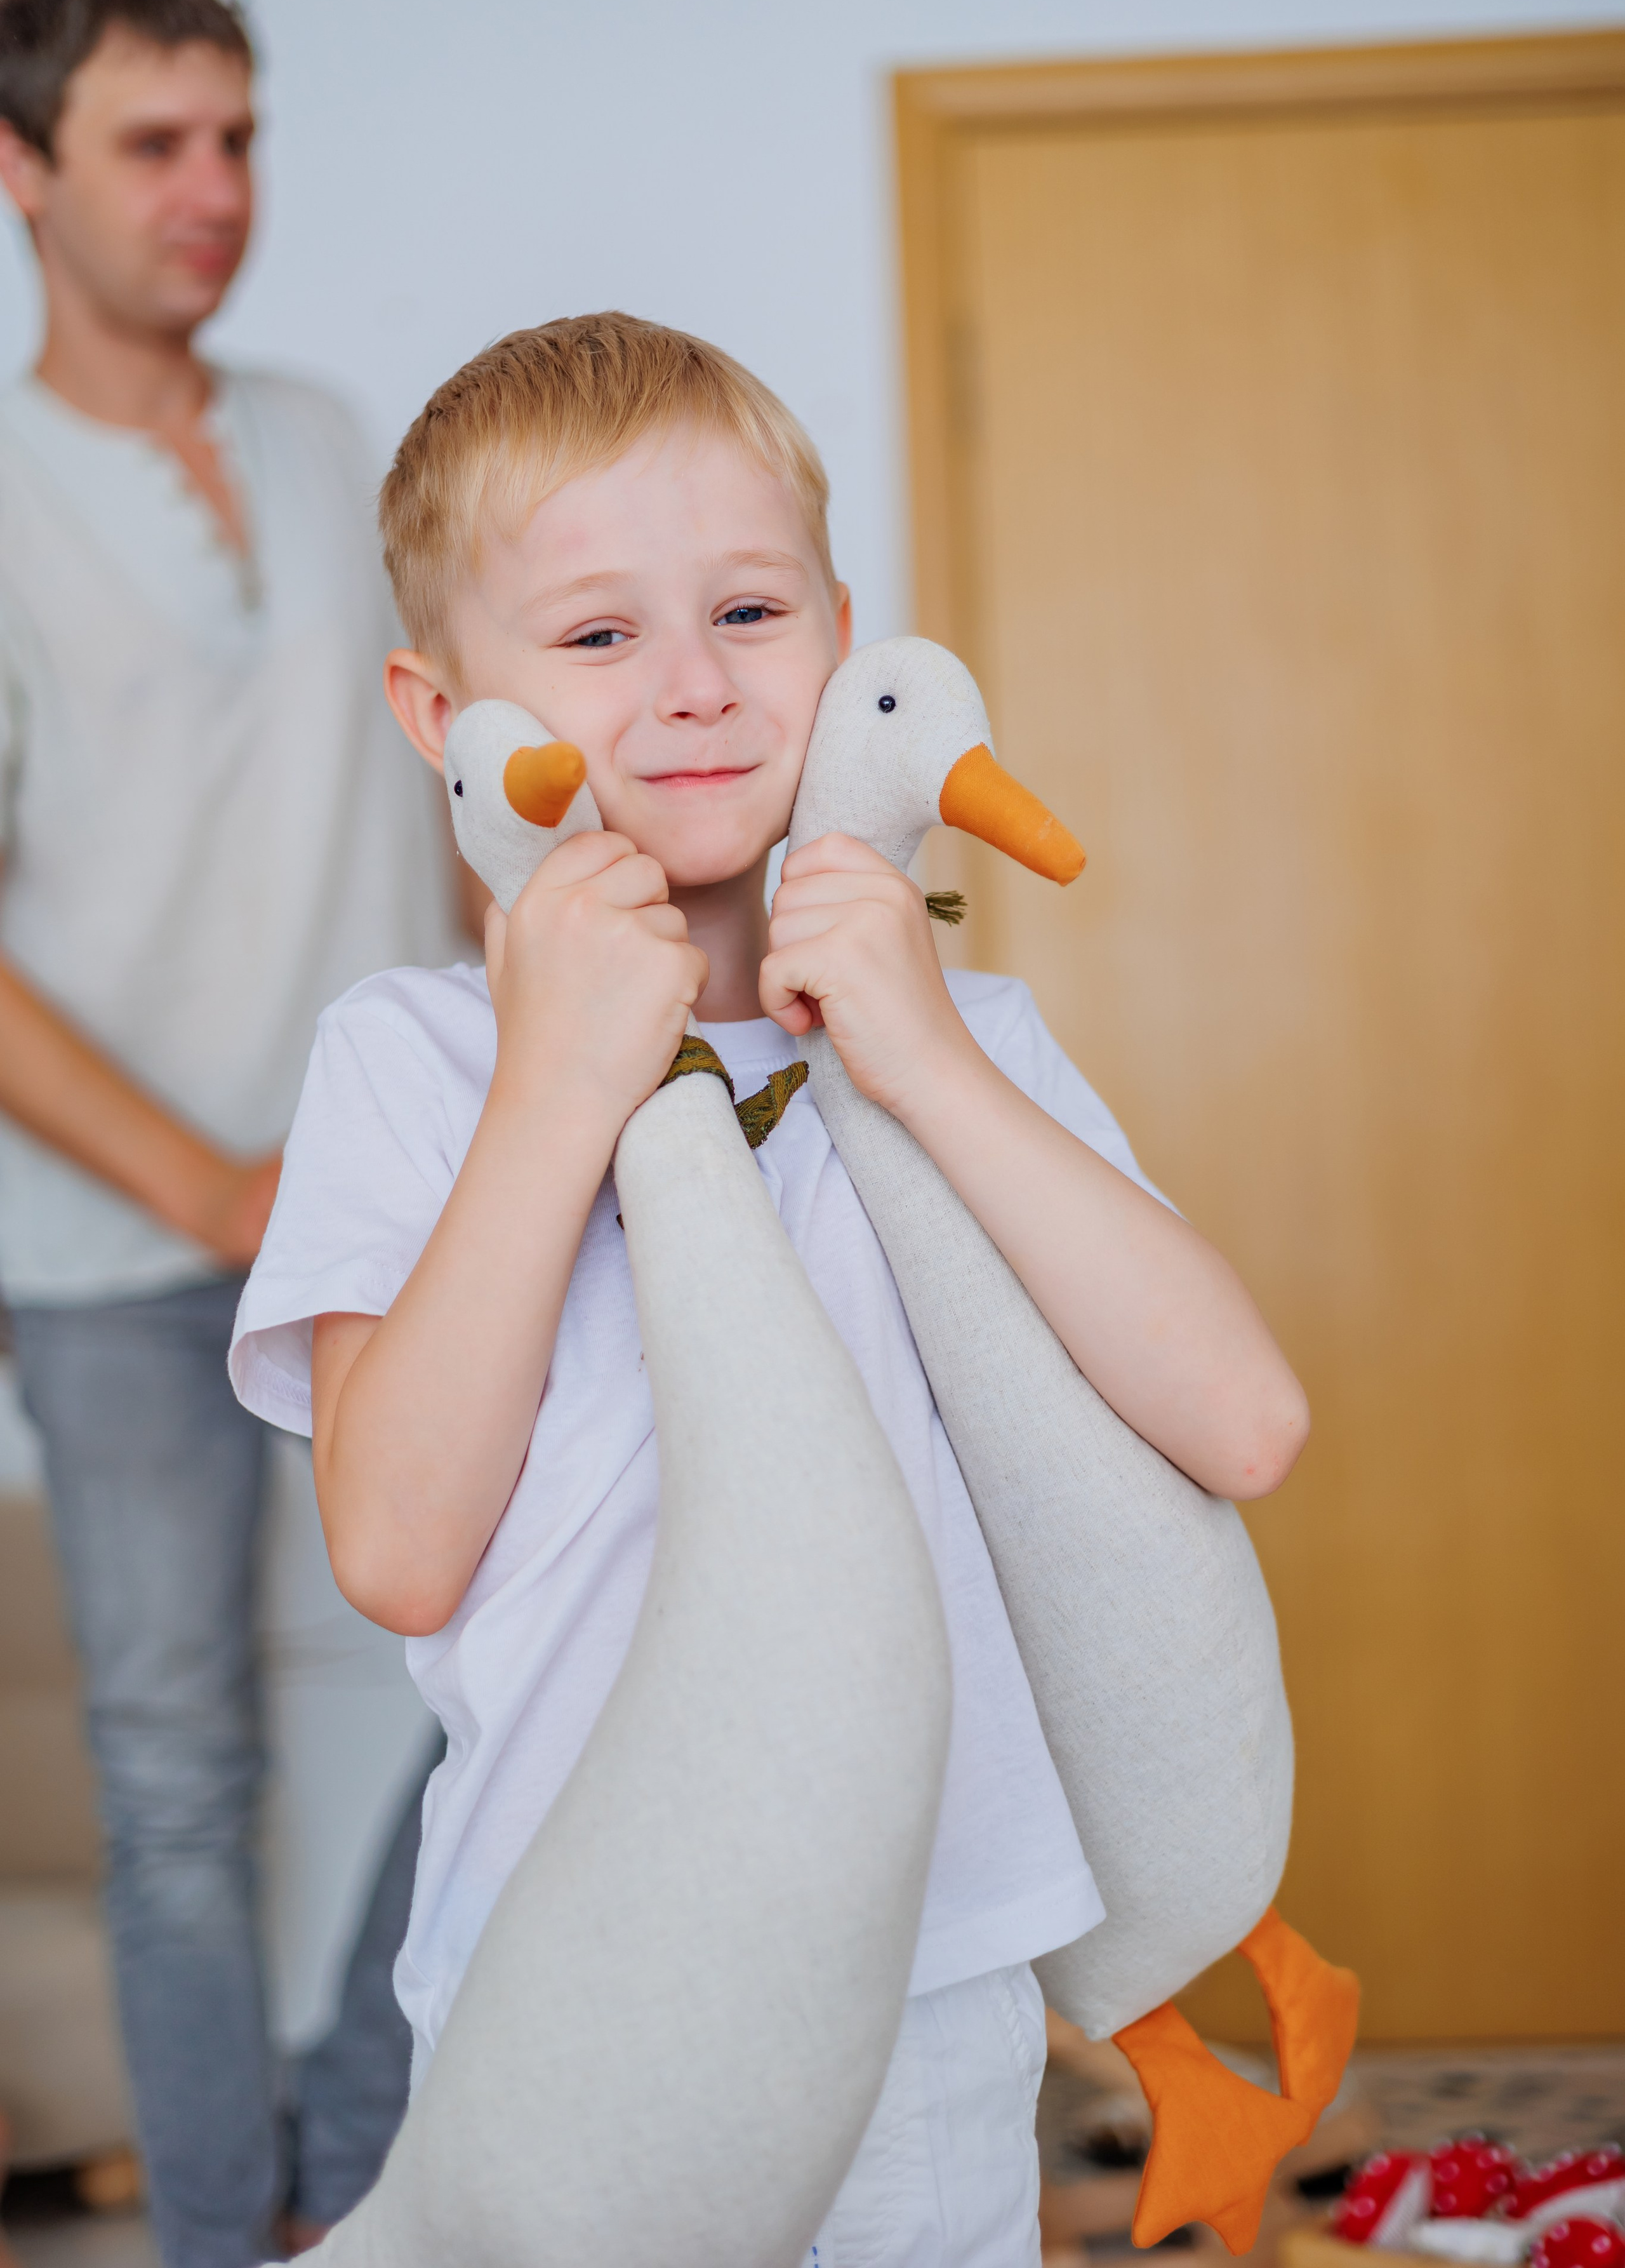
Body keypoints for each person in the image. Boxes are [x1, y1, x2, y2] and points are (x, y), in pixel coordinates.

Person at [229, 312, 1310, 2263]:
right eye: (595, 637)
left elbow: (1243, 1420)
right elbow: (398, 1545)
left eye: (748, 612)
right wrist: (558, 1090)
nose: (695, 690)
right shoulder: (409, 1062)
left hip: (927, 1976)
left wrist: (929, 1060)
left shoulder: (965, 1034)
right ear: (439, 710)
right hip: (572, 1982)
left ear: (837, 627)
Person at [0, 0, 463, 2265]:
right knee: (184, 1793)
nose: (214, 191)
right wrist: (217, 1181)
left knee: (537, 1668)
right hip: (113, 1264)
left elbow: (449, 794)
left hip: (394, 1213)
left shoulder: (328, 430)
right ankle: (220, 2241)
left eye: (241, 139)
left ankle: (354, 2167)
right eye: (153, 145)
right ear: (23, 173)